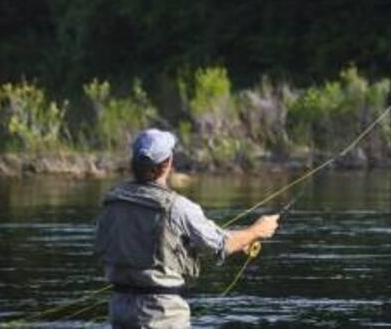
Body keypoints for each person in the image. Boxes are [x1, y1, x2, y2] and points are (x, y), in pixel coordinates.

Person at [95, 128, 279, 328]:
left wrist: (243, 238)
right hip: (162, 315)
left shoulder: (112, 202)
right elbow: (220, 245)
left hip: (120, 310)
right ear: (167, 163)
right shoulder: (177, 207)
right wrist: (257, 230)